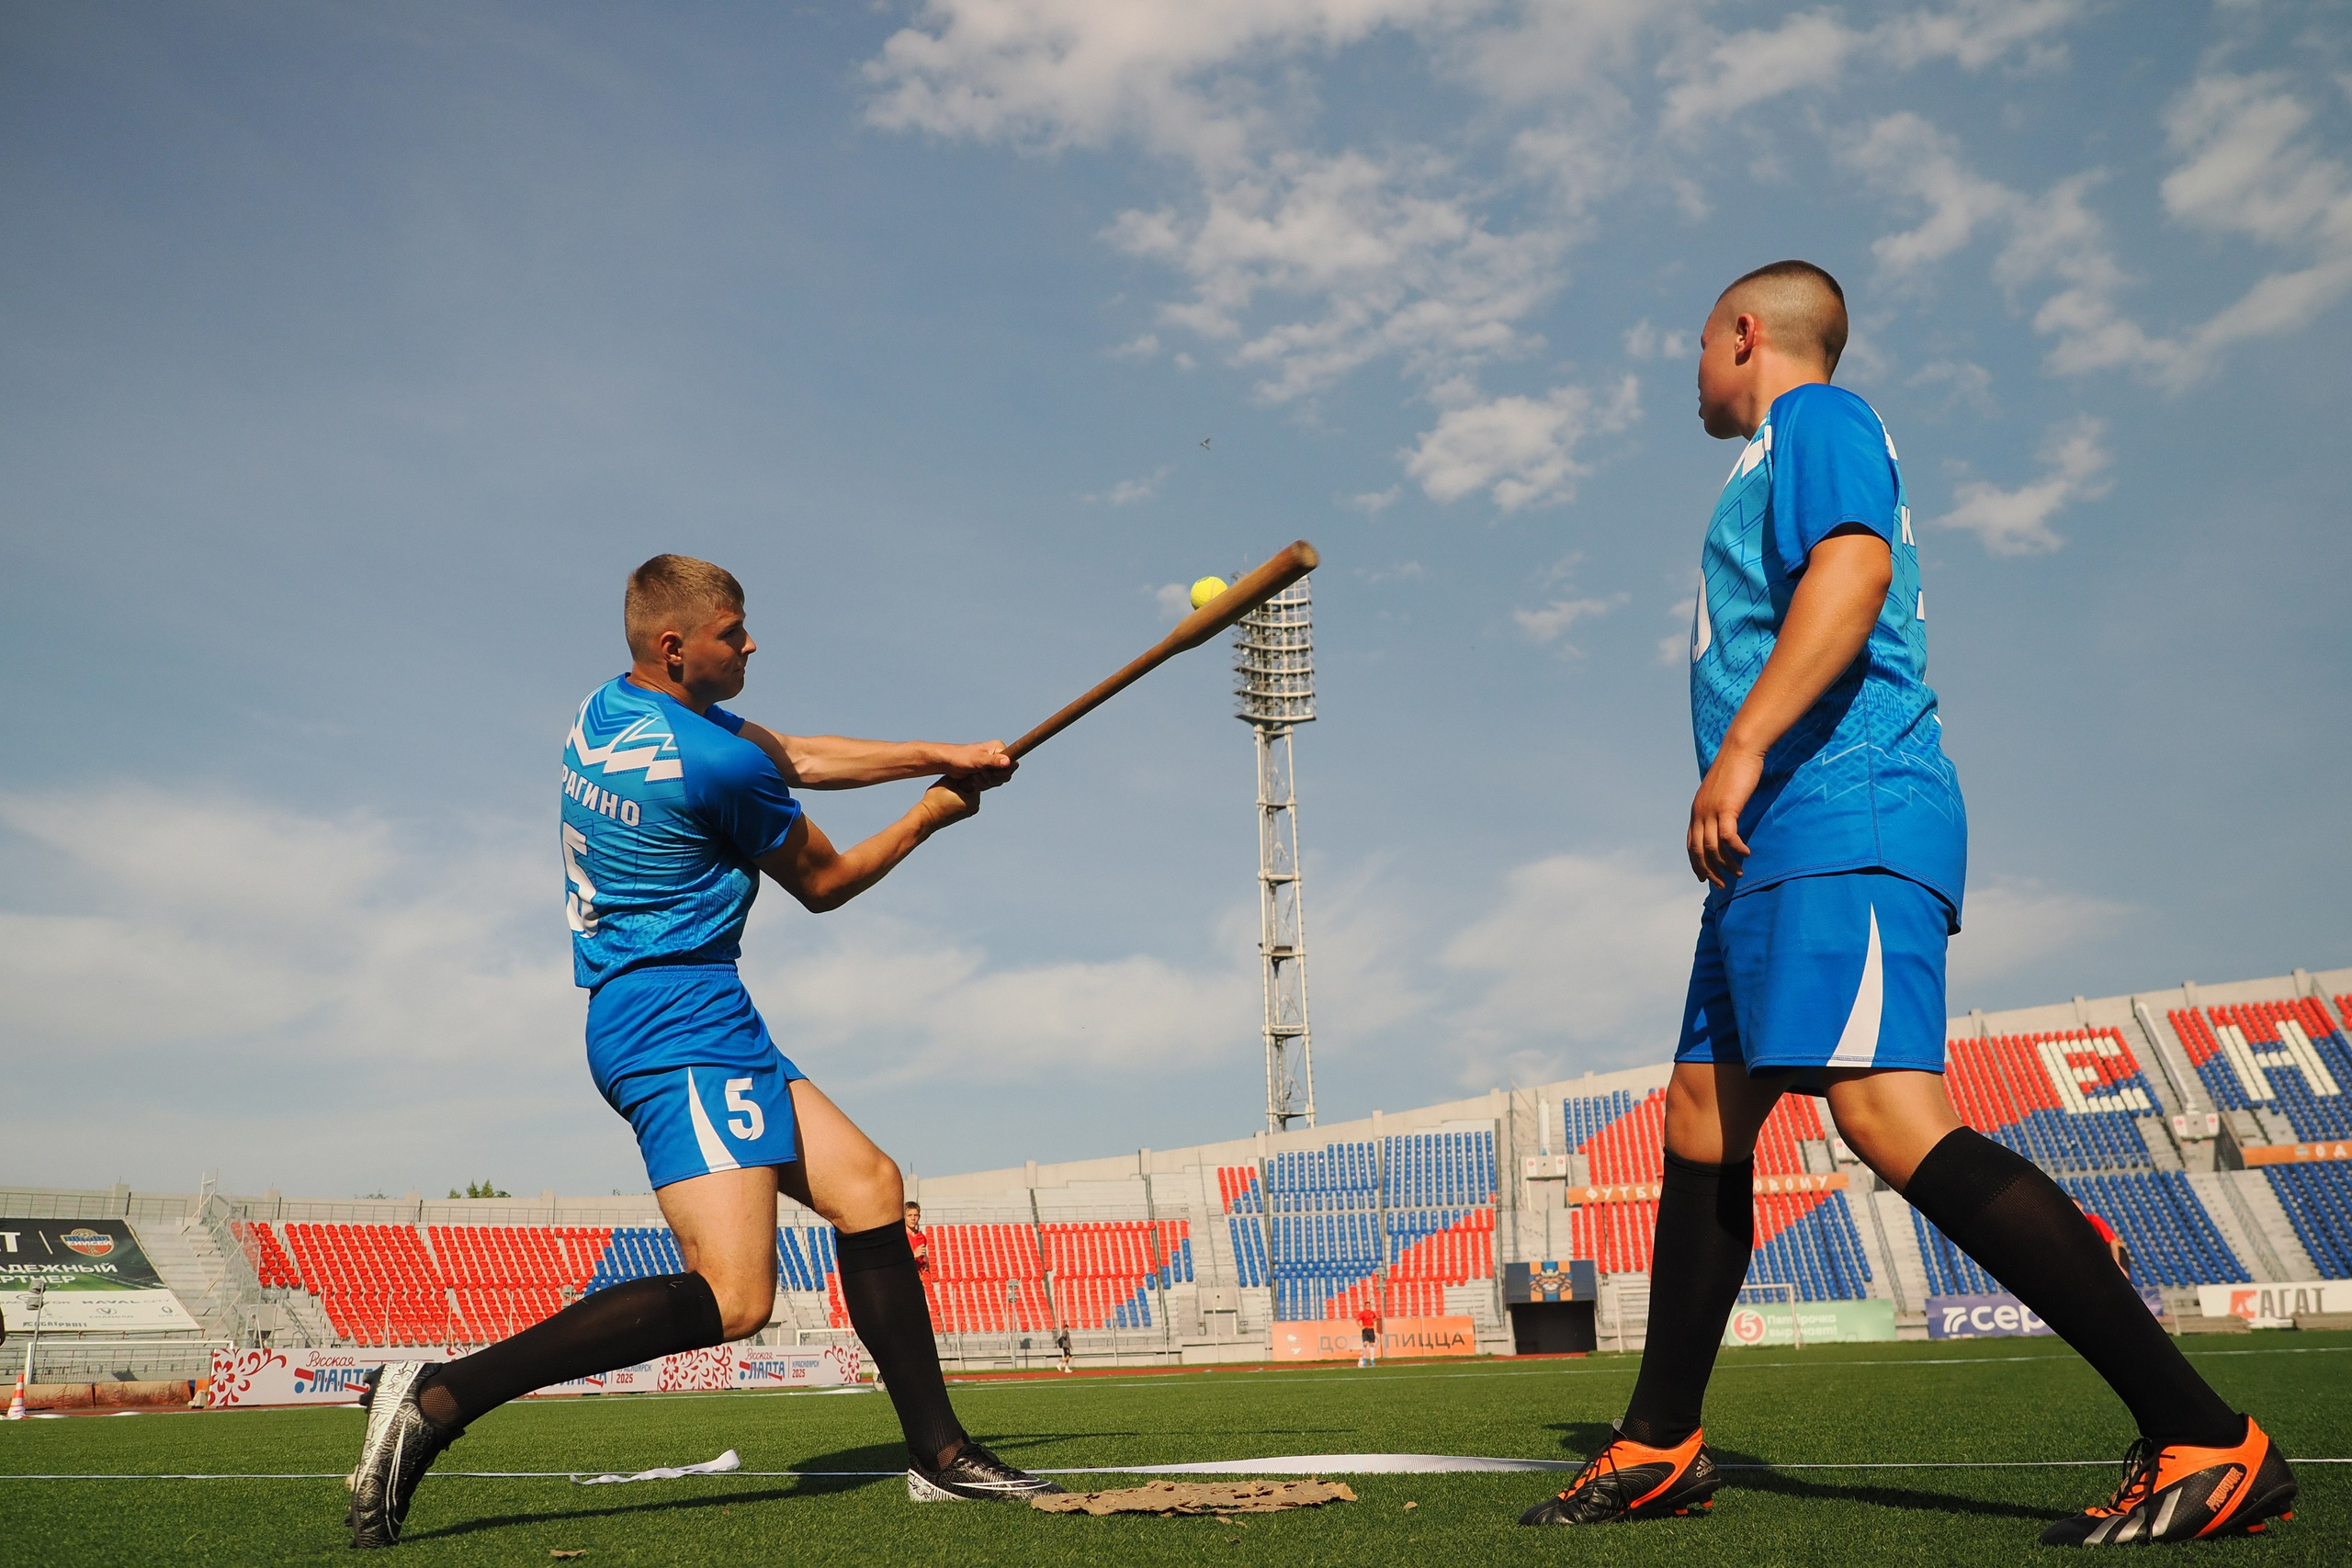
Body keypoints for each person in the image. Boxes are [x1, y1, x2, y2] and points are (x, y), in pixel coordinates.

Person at [1517, 264, 2297, 1547]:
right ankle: (1661, 1439)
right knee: (1704, 1112)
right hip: (1778, 838)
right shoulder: (1774, 448)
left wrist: (1746, 743)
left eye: (1700, 345)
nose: (1691, 372)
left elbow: (1855, 569)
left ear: (1746, 335)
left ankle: (2208, 1433)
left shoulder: (1818, 420)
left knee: (1885, 1113)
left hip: (1845, 803)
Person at [347, 555, 1063, 1547]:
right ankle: (436, 1398)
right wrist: (934, 811)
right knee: (733, 1299)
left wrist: (944, 751)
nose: (753, 643)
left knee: (868, 1187)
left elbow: (795, 757)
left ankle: (939, 1458)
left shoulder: (608, 709)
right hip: (675, 1022)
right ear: (677, 647)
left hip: (680, 1006)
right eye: (735, 631)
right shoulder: (713, 765)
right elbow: (827, 880)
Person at [2080, 1203, 2132, 1277]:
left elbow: (2112, 1241)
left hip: (2114, 1252)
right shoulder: (2077, 1226)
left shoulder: (2093, 1220)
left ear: (2081, 1206)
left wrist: (2116, 1263)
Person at [904, 1201, 931, 1280]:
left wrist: (926, 1261)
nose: (913, 1218)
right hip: (904, 1277)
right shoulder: (900, 1236)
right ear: (904, 1217)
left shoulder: (922, 1237)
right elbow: (896, 1259)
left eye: (915, 1215)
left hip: (918, 1278)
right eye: (909, 1215)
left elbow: (923, 1257)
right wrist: (913, 1255)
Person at [1356, 1301, 1380, 1369]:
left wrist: (1374, 1320)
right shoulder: (1363, 1313)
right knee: (1365, 1343)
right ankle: (1364, 1359)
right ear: (1365, 1306)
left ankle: (1372, 1360)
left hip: (1371, 1329)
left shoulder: (1372, 1312)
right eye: (1367, 1305)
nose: (1368, 1306)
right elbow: (1356, 1320)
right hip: (1365, 1330)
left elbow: (1376, 1317)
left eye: (1369, 1305)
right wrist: (1361, 1327)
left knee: (1372, 1344)